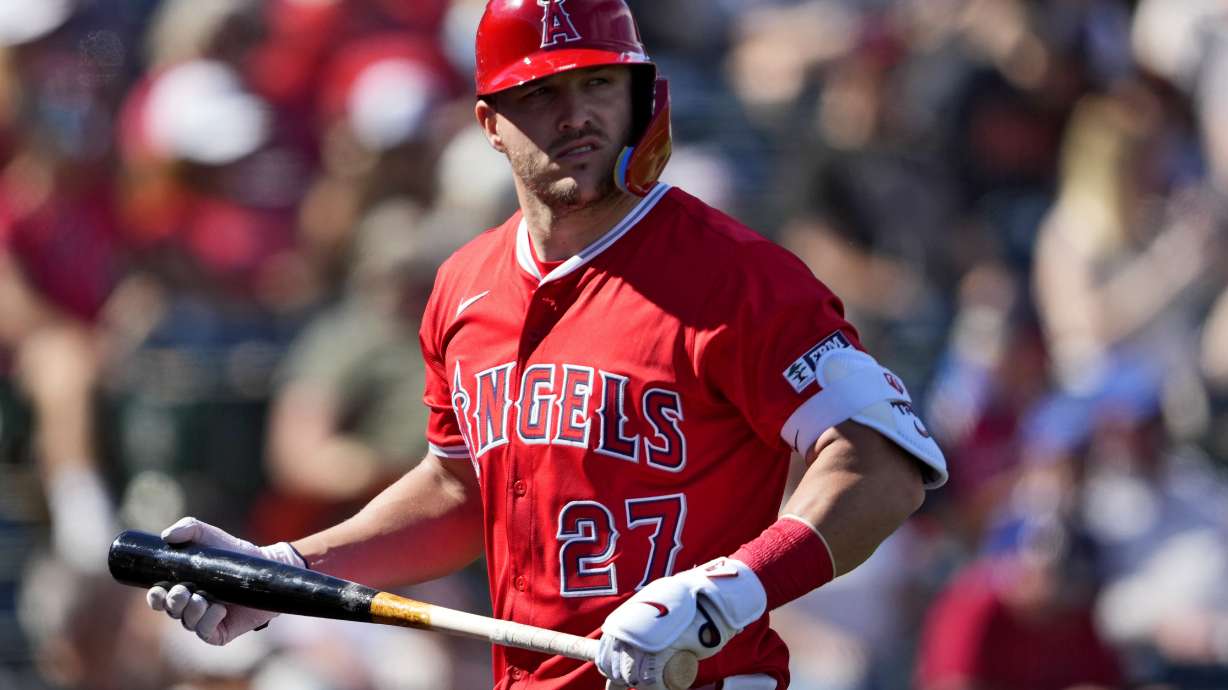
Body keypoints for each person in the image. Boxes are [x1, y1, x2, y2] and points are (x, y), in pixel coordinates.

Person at [145, 2, 947, 689]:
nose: (578, 114)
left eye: (599, 83)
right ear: (490, 122)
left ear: (641, 96)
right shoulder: (462, 285)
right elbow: (459, 494)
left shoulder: (737, 276)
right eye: (544, 92)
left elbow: (881, 465)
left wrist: (726, 596)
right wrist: (287, 571)